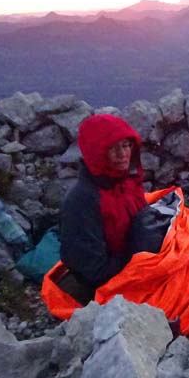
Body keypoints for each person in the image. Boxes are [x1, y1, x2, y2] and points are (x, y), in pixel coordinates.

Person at [57, 114, 148, 303]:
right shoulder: (82, 202)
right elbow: (94, 272)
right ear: (95, 152)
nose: (122, 154)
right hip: (111, 284)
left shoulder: (126, 183)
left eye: (126, 145)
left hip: (140, 262)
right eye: (112, 147)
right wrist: (143, 257)